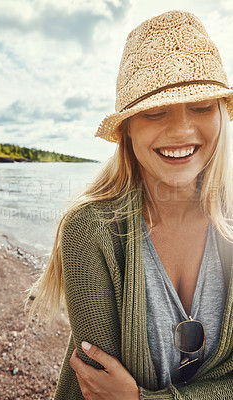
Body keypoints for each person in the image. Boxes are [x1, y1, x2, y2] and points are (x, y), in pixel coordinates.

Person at [28, 10, 233, 399]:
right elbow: (97, 387)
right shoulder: (88, 231)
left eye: (202, 108)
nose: (182, 131)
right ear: (126, 131)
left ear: (221, 116)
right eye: (156, 112)